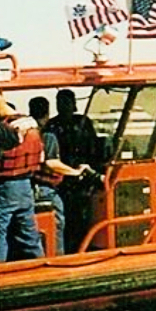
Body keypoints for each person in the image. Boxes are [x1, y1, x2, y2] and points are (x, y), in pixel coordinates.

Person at [0, 90, 45, 263]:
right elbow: (42, 157)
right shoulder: (30, 123)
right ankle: (40, 267)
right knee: (29, 234)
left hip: (4, 188)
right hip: (26, 186)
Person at [29, 96, 89, 255]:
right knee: (57, 223)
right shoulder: (48, 133)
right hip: (49, 185)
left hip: (37, 185)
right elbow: (51, 162)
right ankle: (58, 256)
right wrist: (75, 172)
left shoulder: (29, 133)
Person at [45, 88, 100, 252]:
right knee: (66, 216)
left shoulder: (83, 122)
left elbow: (94, 146)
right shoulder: (52, 125)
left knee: (84, 216)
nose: (62, 106)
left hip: (83, 175)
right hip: (62, 178)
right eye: (59, 102)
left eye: (66, 102)